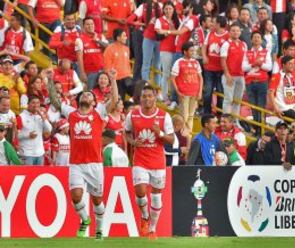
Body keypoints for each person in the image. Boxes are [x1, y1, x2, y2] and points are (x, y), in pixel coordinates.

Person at [46, 68, 119, 240]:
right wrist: (50, 81)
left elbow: (114, 99)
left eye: (89, 95)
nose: (86, 96)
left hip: (95, 163)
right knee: (76, 196)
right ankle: (85, 219)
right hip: (76, 163)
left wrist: (113, 79)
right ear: (79, 100)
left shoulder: (99, 112)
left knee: (97, 200)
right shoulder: (72, 114)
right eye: (84, 95)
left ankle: (99, 230)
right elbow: (56, 102)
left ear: (94, 101)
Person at [124, 85, 175, 239]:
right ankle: (145, 216)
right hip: (140, 160)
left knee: (156, 197)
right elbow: (126, 132)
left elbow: (172, 140)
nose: (147, 99)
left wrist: (159, 132)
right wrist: (133, 142)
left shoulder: (164, 116)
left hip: (158, 161)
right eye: (144, 96)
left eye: (150, 96)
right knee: (140, 191)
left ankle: (152, 228)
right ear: (140, 98)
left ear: (155, 98)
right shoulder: (132, 115)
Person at [242, 31, 272, 134]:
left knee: (261, 106)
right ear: (251, 40)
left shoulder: (266, 52)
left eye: (258, 37)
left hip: (262, 81)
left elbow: (269, 67)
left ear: (261, 40)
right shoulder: (247, 52)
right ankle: (257, 128)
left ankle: (261, 129)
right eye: (254, 37)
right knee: (253, 106)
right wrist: (253, 64)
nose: (256, 39)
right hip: (250, 82)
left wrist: (261, 64)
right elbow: (243, 67)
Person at [171, 41, 203, 132]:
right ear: (185, 52)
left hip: (194, 93)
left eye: (193, 51)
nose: (193, 53)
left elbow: (200, 78)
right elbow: (172, 78)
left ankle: (188, 135)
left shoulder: (196, 62)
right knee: (184, 116)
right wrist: (178, 92)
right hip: (184, 93)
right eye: (191, 51)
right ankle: (183, 136)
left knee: (191, 116)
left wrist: (200, 92)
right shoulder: (179, 62)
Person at [202, 15, 229, 114]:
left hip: (220, 70)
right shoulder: (210, 33)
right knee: (207, 91)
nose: (212, 24)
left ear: (218, 24)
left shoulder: (227, 36)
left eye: (213, 22)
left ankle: (219, 113)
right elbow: (204, 46)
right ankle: (207, 112)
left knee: (220, 92)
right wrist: (204, 56)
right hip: (209, 68)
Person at [154, 1, 180, 103]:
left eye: (170, 9)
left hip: (177, 50)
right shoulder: (159, 20)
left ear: (174, 10)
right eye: (166, 9)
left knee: (175, 74)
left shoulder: (177, 20)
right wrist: (167, 33)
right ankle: (165, 97)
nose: (168, 11)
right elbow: (157, 36)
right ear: (163, 10)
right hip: (165, 50)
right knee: (166, 74)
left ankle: (174, 97)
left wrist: (167, 31)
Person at [17, 95, 52, 165]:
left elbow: (49, 129)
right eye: (33, 103)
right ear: (28, 104)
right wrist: (27, 135)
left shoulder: (41, 116)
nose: (36, 105)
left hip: (40, 153)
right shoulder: (21, 117)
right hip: (26, 154)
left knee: (39, 175)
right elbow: (16, 136)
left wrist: (42, 117)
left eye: (38, 103)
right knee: (28, 175)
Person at [220, 23, 247, 116]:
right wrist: (227, 74)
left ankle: (235, 121)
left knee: (238, 100)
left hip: (241, 76)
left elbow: (246, 61)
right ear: (230, 32)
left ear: (240, 32)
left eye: (237, 30)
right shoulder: (226, 44)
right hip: (230, 75)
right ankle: (226, 120)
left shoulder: (243, 44)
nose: (235, 32)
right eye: (233, 30)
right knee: (228, 99)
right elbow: (223, 60)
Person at [268, 55, 295, 122]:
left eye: (293, 63)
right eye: (290, 63)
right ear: (284, 65)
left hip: (292, 108)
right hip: (283, 109)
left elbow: (294, 93)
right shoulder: (277, 76)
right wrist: (276, 108)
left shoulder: (291, 77)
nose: (292, 65)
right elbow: (271, 93)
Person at [75, 17, 108, 90]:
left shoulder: (100, 36)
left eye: (92, 24)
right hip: (90, 73)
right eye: (87, 24)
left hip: (102, 71)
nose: (90, 26)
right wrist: (82, 73)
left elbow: (108, 47)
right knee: (91, 92)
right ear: (83, 26)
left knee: (104, 92)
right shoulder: (79, 39)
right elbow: (79, 57)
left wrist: (97, 40)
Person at [103, 28, 133, 100]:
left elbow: (127, 64)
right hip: (116, 80)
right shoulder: (109, 49)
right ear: (118, 38)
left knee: (138, 94)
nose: (126, 38)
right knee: (119, 101)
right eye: (124, 36)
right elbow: (107, 68)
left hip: (127, 78)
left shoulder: (126, 49)